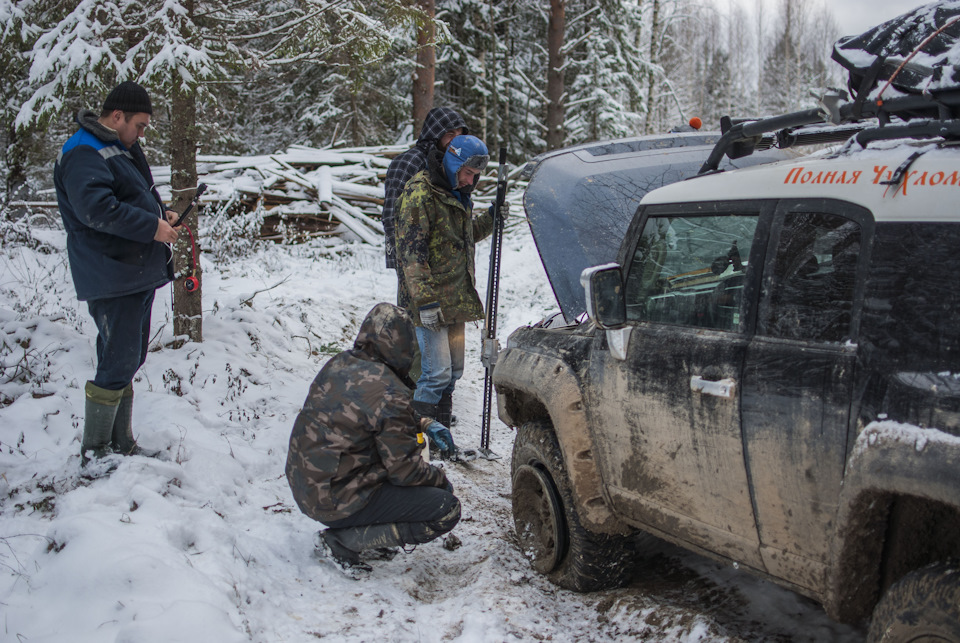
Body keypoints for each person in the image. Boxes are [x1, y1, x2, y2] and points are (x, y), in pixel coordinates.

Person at [53, 80, 180, 474]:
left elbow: (132, 193)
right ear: (118, 116)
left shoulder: (116, 146)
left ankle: (120, 443)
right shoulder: (82, 151)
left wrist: (162, 216)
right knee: (118, 358)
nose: (142, 133)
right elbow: (97, 210)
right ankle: (95, 454)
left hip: (132, 270)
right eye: (140, 125)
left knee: (129, 356)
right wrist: (152, 228)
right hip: (110, 271)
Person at [286, 303, 460, 577]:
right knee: (444, 508)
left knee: (391, 472)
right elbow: (406, 471)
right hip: (334, 498)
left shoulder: (341, 363)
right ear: (404, 346)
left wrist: (424, 422)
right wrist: (440, 481)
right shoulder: (390, 392)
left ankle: (365, 531)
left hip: (306, 485)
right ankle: (343, 540)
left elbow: (369, 411)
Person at [395, 134, 497, 439]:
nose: (471, 181)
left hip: (455, 300)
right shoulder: (420, 193)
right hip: (429, 301)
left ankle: (440, 433)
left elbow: (463, 237)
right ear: (453, 162)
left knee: (453, 373)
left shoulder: (457, 193)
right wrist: (425, 302)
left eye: (476, 176)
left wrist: (491, 218)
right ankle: (418, 438)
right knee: (434, 373)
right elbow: (411, 253)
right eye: (468, 173)